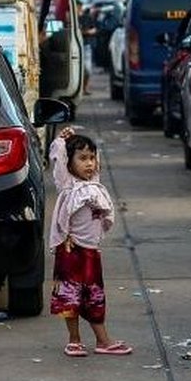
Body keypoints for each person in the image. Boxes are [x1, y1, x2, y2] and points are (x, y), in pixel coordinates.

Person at [49, 126, 133, 357]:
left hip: (91, 253)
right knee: (70, 297)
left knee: (95, 296)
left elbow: (95, 171)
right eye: (82, 158)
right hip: (70, 251)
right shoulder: (68, 185)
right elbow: (58, 161)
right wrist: (60, 142)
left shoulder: (95, 186)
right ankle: (75, 339)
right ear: (70, 162)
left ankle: (101, 340)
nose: (89, 163)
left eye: (92, 158)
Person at [78, 2, 97, 94]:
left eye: (79, 6)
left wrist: (87, 32)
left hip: (86, 46)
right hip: (76, 46)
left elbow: (94, 29)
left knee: (87, 69)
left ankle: (85, 88)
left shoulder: (87, 17)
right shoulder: (72, 18)